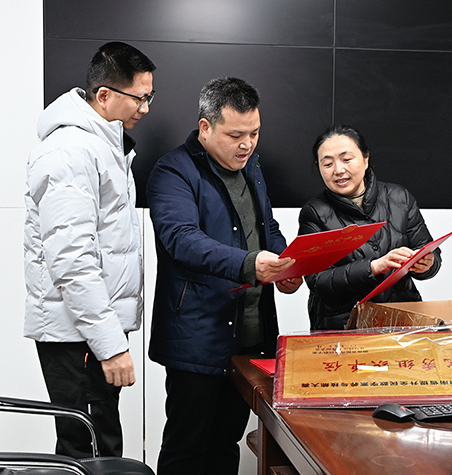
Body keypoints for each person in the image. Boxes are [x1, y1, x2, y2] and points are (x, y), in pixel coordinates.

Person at [146, 77, 303, 475]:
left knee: (226, 444)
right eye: (236, 135)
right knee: (187, 448)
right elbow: (181, 239)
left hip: (251, 336)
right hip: (197, 338)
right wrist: (250, 264)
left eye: (254, 133)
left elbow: (266, 227)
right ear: (205, 127)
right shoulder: (173, 171)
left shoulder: (252, 167)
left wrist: (286, 264)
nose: (246, 145)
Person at [23, 41, 156, 458]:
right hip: (76, 336)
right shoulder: (70, 151)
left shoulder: (102, 144)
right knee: (90, 451)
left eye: (149, 97)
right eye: (140, 98)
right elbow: (72, 261)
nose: (145, 108)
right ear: (104, 95)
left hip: (87, 330)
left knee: (97, 444)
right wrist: (110, 345)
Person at [298, 124, 442, 330]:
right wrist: (373, 267)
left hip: (400, 320)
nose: (338, 170)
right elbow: (317, 280)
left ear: (366, 159)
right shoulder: (314, 212)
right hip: (343, 325)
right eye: (328, 164)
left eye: (347, 159)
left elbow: (428, 250)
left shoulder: (399, 198)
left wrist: (427, 264)